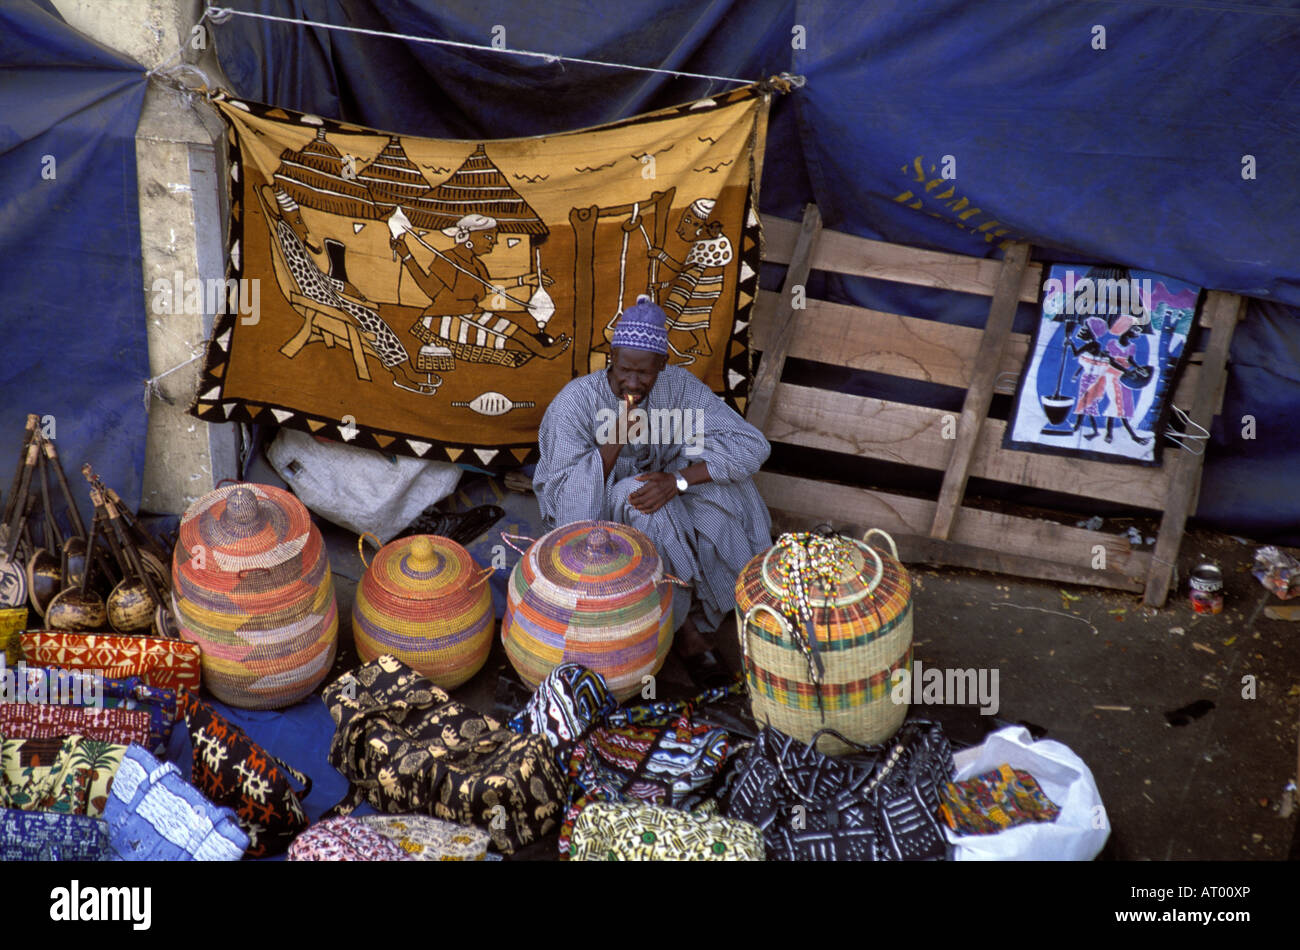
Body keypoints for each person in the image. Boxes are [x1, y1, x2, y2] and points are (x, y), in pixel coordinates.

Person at [533, 295, 772, 687]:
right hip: (594, 515)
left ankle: (742, 601)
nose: (632, 381)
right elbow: (569, 505)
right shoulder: (576, 402)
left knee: (729, 489)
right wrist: (617, 435)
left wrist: (679, 480)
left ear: (662, 365)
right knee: (645, 500)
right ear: (611, 358)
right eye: (624, 369)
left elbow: (752, 446)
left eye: (644, 373)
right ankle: (681, 631)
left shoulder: (679, 388)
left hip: (667, 490)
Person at [384, 214, 568, 363]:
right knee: (503, 338)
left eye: (494, 238)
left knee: (512, 329)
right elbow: (429, 289)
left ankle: (543, 350)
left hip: (472, 314)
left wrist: (523, 280)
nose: (493, 243)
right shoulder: (449, 259)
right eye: (488, 237)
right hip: (445, 317)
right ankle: (544, 352)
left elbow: (487, 288)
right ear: (467, 237)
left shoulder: (476, 265)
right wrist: (407, 256)